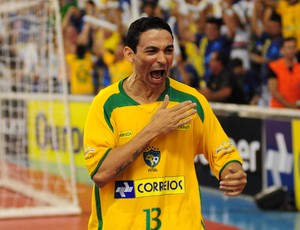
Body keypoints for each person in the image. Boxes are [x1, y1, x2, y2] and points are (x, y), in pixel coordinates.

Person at [83, 16, 247, 230]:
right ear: (129, 54)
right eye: (152, 51)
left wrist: (232, 172)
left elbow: (223, 153)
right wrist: (153, 129)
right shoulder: (107, 104)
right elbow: (101, 173)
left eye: (168, 50)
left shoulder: (190, 101)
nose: (162, 59)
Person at [267, 37, 300, 109]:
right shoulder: (274, 67)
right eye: (288, 47)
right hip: (278, 110)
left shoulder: (298, 67)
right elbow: (273, 91)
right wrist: (289, 105)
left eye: (293, 47)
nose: (291, 50)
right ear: (282, 50)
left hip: (296, 110)